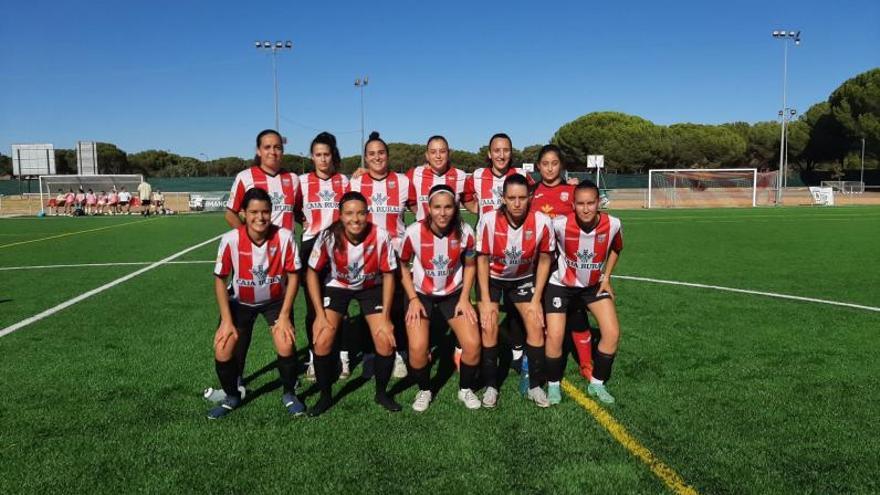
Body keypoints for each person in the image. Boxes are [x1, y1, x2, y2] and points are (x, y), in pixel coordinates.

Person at [208, 129, 302, 404]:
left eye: (277, 147)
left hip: (283, 264)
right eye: (267, 147)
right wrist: (250, 244)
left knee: (285, 329)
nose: (273, 152)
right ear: (258, 150)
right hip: (251, 266)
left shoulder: (293, 179)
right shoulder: (245, 177)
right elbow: (230, 212)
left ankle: (290, 382)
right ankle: (235, 383)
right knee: (240, 331)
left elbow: (299, 213)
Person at [306, 191, 399, 416]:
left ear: (368, 214)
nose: (355, 219)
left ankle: (381, 393)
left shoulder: (380, 235)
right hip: (338, 286)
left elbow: (388, 275)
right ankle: (325, 396)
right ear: (340, 215)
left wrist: (386, 318)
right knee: (322, 341)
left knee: (385, 341)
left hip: (370, 286)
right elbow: (311, 273)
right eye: (349, 214)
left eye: (360, 213)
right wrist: (319, 314)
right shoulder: (328, 236)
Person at [399, 184, 482, 412]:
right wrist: (413, 299)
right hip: (421, 295)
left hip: (453, 294)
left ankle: (465, 389)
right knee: (417, 350)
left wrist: (465, 298)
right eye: (437, 207)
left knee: (473, 345)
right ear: (428, 207)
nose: (442, 213)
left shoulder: (465, 232)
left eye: (447, 207)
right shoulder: (414, 231)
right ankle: (424, 389)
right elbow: (403, 265)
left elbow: (471, 266)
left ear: (455, 208)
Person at [475, 174, 555, 408]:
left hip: (522, 279)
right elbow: (481, 259)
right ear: (503, 198)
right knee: (489, 325)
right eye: (511, 198)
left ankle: (534, 386)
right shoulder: (488, 220)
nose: (517, 203)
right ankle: (491, 386)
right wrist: (486, 299)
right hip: (492, 278)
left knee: (536, 324)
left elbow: (544, 260)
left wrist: (537, 298)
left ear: (530, 197)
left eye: (522, 197)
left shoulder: (541, 221)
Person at [544, 180, 624, 405]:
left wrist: (606, 276)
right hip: (561, 285)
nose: (586, 208)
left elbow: (617, 248)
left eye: (591, 203)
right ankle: (552, 385)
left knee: (612, 333)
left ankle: (597, 383)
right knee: (556, 335)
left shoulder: (614, 224)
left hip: (592, 286)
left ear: (599, 203)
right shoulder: (559, 225)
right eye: (580, 203)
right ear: (573, 204)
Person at [530, 144, 597, 383]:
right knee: (540, 316)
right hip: (539, 265)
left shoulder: (572, 192)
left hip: (568, 264)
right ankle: (532, 362)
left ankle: (586, 363)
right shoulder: (530, 191)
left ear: (562, 166)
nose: (549, 168)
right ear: (538, 166)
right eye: (545, 164)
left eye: (554, 163)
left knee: (578, 314)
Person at [348, 131, 411, 379]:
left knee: (397, 307)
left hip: (397, 255)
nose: (377, 157)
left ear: (388, 155)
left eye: (381, 153)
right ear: (365, 158)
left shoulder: (404, 182)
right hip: (367, 256)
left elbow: (419, 208)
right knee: (368, 308)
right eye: (372, 154)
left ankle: (400, 355)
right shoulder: (356, 183)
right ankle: (370, 355)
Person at [298, 132, 351, 381]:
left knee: (340, 307)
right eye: (318, 155)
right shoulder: (301, 182)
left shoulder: (344, 181)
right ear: (312, 157)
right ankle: (312, 358)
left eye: (326, 154)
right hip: (311, 248)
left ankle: (343, 356)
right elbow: (295, 209)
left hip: (339, 248)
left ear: (333, 156)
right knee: (313, 308)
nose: (322, 159)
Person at [463, 133, 533, 215]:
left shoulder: (522, 174)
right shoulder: (478, 175)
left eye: (506, 150)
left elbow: (535, 196)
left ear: (511, 153)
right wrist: (477, 209)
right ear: (489, 154)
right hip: (486, 228)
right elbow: (465, 197)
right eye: (497, 151)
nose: (502, 156)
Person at [406, 135, 468, 221]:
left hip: (452, 233)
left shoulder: (461, 176)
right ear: (427, 155)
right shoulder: (414, 174)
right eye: (433, 152)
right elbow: (411, 203)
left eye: (442, 151)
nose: (438, 156)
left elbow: (469, 202)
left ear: (448, 154)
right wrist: (423, 217)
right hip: (423, 232)